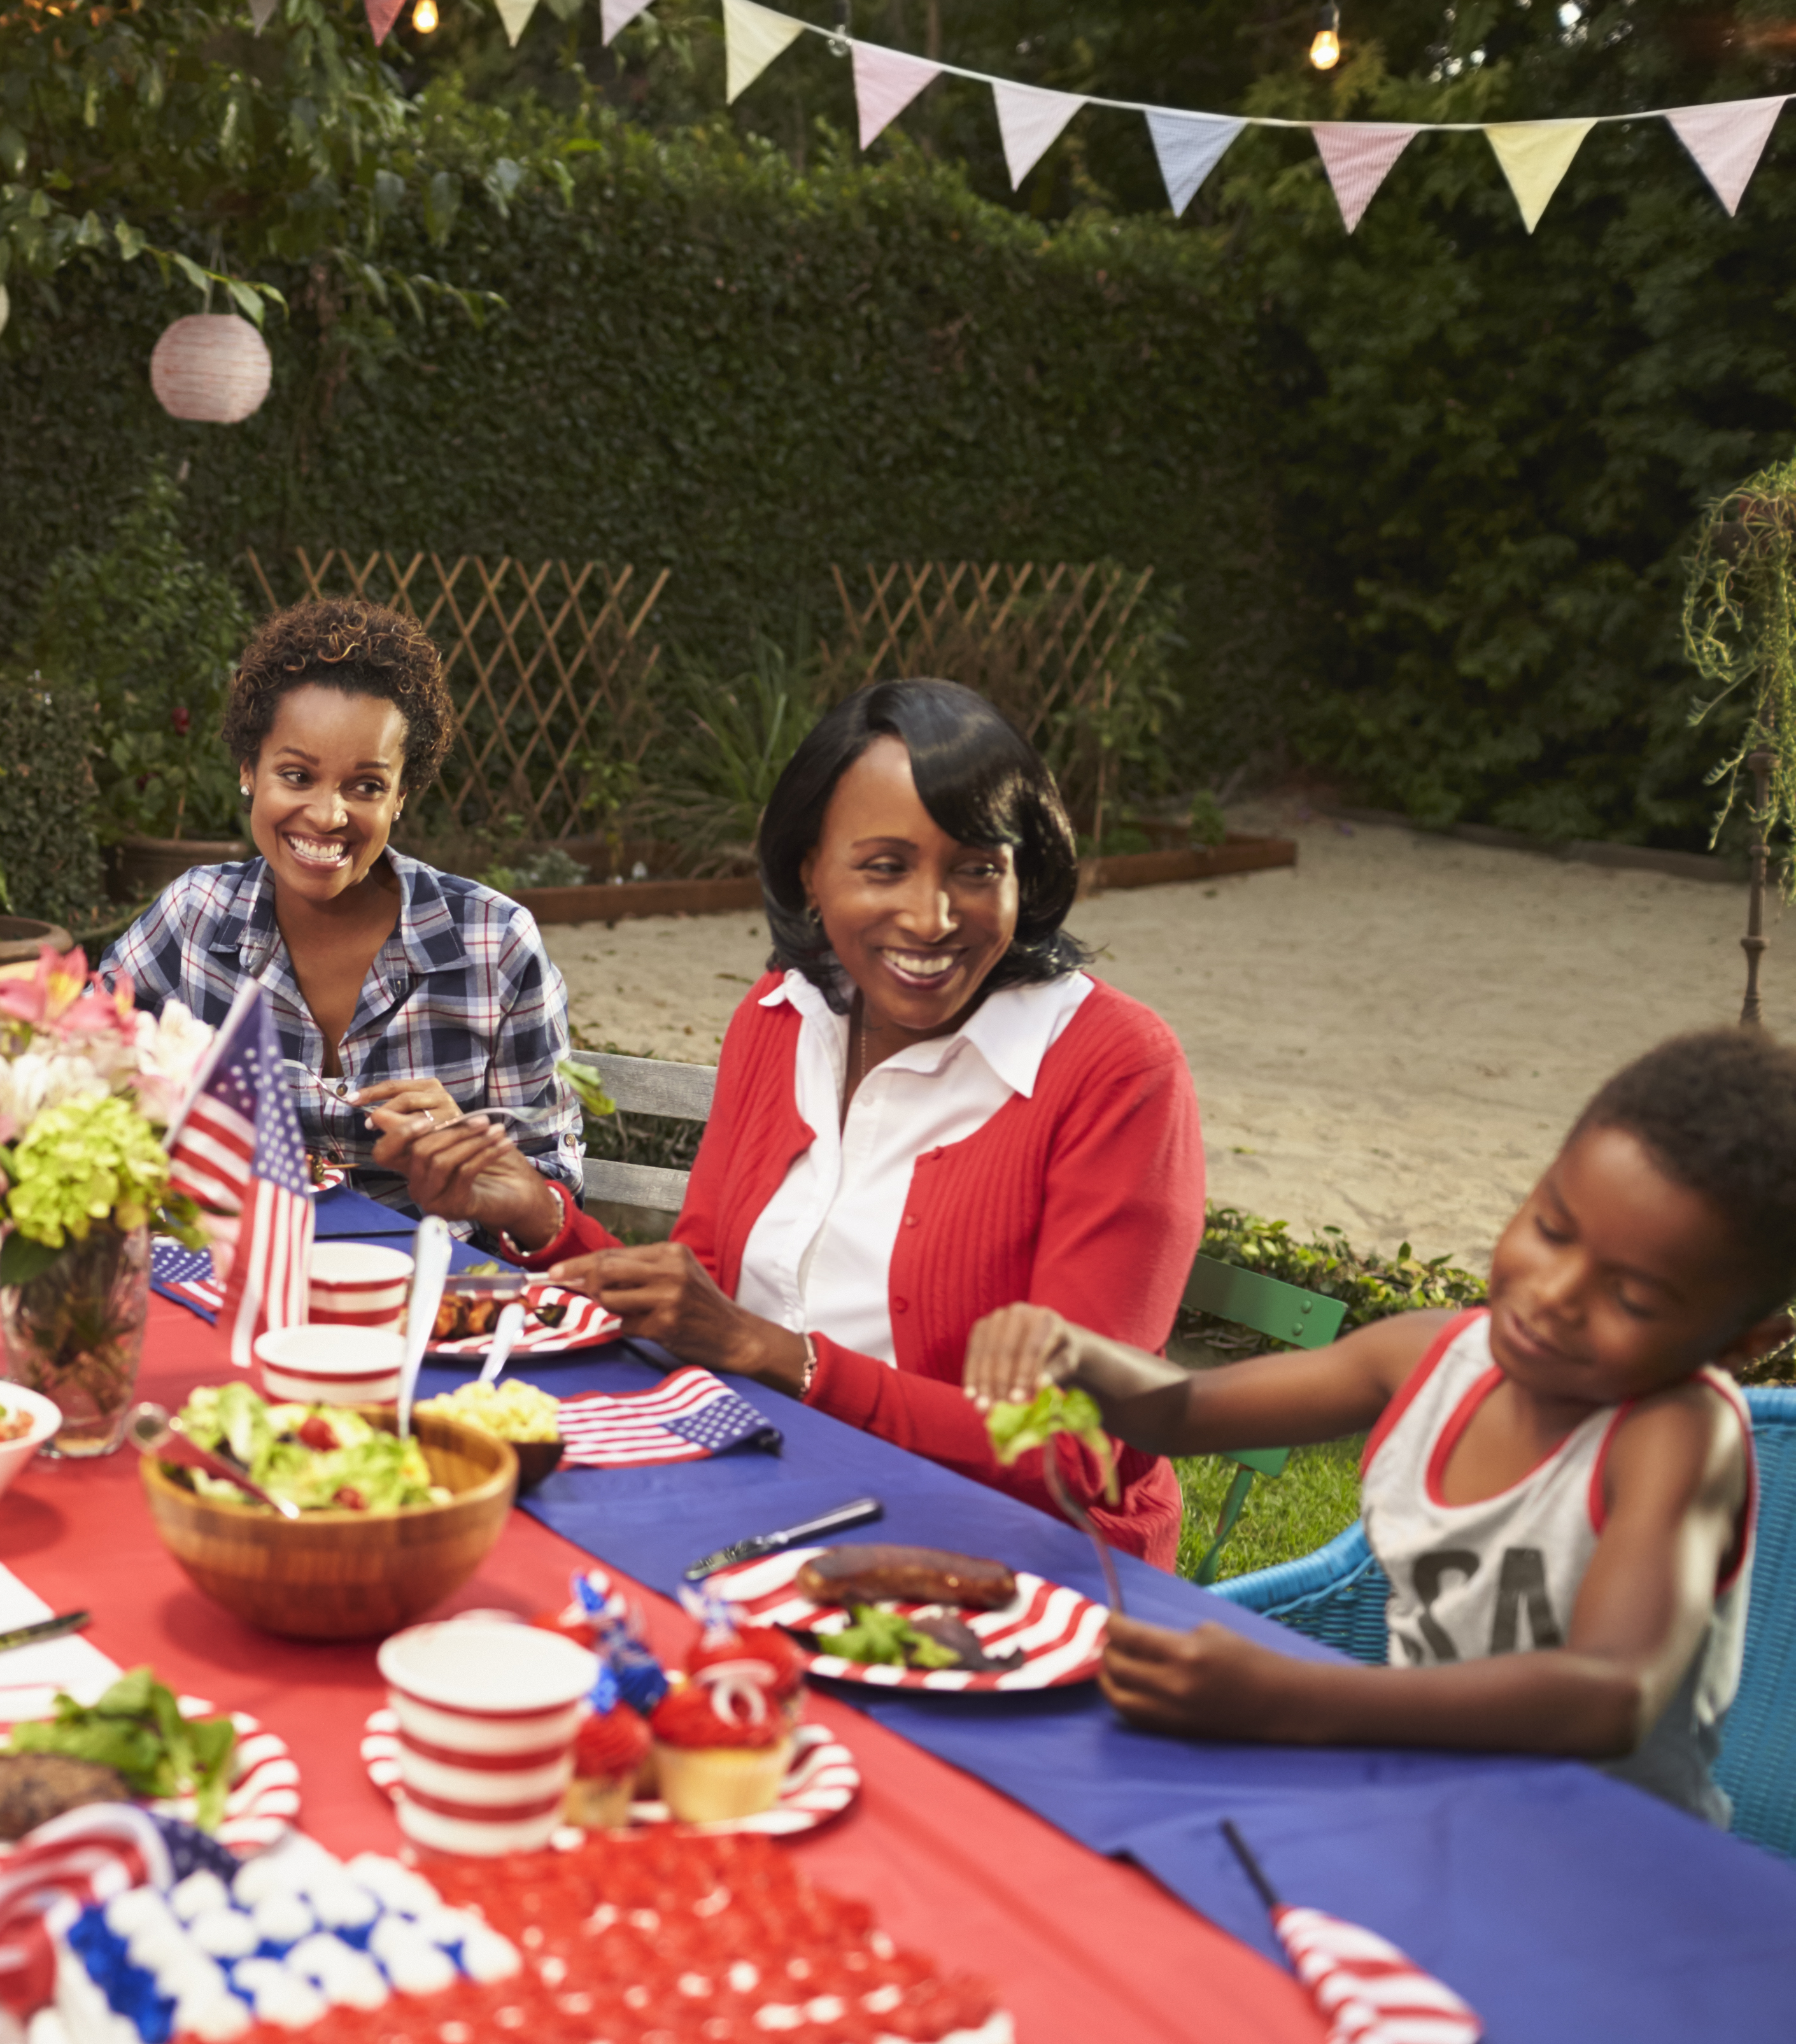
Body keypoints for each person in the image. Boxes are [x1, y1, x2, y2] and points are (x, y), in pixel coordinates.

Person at [964, 1027, 1781, 1822]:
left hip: (1615, 1860)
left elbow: (1612, 1692)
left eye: (1632, 1298)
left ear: (1744, 1344)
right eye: (1551, 1229)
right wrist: (1072, 1348)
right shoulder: (1426, 1355)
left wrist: (1292, 1698)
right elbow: (1180, 1413)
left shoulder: (1674, 1436)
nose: (1556, 1293)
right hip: (1430, 1804)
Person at [537, 678, 1205, 1564]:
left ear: (1027, 873)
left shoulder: (1114, 1070)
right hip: (765, 1494)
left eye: (977, 868)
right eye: (885, 866)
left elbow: (1072, 1449)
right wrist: (542, 1222)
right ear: (809, 870)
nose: (931, 918)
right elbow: (700, 1293)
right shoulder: (782, 1015)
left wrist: (784, 1359)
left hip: (1014, 1562)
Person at [97, 599, 584, 1254]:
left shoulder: (494, 945)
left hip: (424, 1303)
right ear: (249, 770)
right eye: (296, 776)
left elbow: (554, 1185)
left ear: (402, 794)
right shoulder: (195, 916)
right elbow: (76, 1068)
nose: (328, 815)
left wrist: (478, 1168)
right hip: (221, 1278)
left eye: (365, 786)